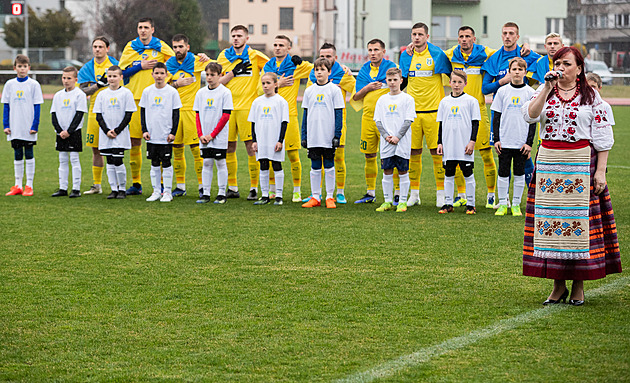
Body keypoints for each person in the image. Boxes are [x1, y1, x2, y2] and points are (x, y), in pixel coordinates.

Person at [522, 46, 621, 306]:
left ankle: (578, 285)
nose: (561, 68)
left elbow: (602, 137)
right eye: (558, 63)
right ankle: (557, 286)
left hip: (580, 165)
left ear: (579, 68)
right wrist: (546, 88)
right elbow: (530, 116)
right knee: (550, 227)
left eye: (567, 64)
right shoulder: (544, 91)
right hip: (549, 166)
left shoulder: (591, 97)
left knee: (579, 227)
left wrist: (600, 172)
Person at [482, 22, 540, 207]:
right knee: (504, 158)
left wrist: (529, 48)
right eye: (505, 33)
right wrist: (502, 81)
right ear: (501, 36)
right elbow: (485, 88)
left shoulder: (527, 55)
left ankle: (532, 197)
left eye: (511, 33)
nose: (507, 36)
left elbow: (545, 62)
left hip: (524, 117)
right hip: (503, 117)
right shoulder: (494, 58)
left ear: (517, 36)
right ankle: (503, 200)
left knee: (525, 157)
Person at [118, 17, 175, 195]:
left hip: (158, 102)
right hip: (135, 99)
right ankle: (136, 184)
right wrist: (140, 66)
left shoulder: (161, 47)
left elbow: (174, 63)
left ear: (152, 29)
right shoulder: (130, 47)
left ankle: (163, 186)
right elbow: (122, 71)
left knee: (160, 142)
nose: (143, 31)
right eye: (140, 27)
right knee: (135, 142)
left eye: (146, 27)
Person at [399, 22, 452, 207]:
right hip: (412, 114)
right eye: (414, 34)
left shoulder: (437, 54)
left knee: (437, 153)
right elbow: (402, 81)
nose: (417, 37)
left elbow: (453, 73)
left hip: (434, 112)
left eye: (420, 34)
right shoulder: (406, 56)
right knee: (413, 152)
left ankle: (441, 193)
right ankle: (414, 194)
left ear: (427, 37)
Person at [444, 26, 498, 208]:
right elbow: (431, 51)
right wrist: (413, 45)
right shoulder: (451, 54)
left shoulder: (486, 53)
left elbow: (506, 52)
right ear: (457, 39)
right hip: (456, 114)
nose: (464, 39)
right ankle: (461, 195)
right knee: (456, 155)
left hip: (479, 111)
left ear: (474, 39)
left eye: (468, 36)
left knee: (485, 154)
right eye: (461, 37)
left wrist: (525, 48)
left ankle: (491, 195)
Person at [217, 25, 270, 201]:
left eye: (239, 35)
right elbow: (218, 82)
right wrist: (233, 73)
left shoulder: (255, 55)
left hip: (248, 107)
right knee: (228, 147)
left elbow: (272, 67)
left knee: (251, 147)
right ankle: (232, 187)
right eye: (233, 35)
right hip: (228, 108)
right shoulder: (224, 56)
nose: (236, 38)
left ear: (247, 38)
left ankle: (254, 188)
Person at [263, 35, 312, 202]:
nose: (277, 48)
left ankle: (297, 191)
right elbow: (258, 90)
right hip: (269, 117)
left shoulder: (296, 65)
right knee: (270, 155)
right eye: (275, 44)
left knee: (293, 155)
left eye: (281, 45)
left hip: (289, 116)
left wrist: (302, 61)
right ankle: (271, 190)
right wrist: (279, 84)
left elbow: (320, 68)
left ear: (289, 48)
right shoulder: (267, 67)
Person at [306, 42, 356, 204]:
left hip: (335, 125)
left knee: (337, 158)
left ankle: (338, 192)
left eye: (328, 56)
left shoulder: (343, 73)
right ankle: (316, 195)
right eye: (322, 56)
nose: (325, 59)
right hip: (315, 128)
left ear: (335, 58)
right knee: (316, 162)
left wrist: (349, 75)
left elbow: (357, 91)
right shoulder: (312, 77)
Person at [166, 34, 211, 198]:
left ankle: (202, 186)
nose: (178, 50)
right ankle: (180, 186)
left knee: (196, 150)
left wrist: (207, 58)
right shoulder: (169, 64)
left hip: (193, 111)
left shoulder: (196, 61)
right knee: (177, 149)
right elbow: (162, 85)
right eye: (175, 47)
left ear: (188, 47)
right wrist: (176, 84)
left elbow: (216, 69)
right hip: (175, 112)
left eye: (181, 46)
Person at [352, 38, 397, 204]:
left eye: (376, 50)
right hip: (368, 119)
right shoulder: (364, 70)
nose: (372, 53)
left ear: (383, 52)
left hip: (388, 120)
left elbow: (399, 88)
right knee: (369, 155)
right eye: (370, 50)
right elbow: (356, 96)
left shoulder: (391, 69)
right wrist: (368, 88)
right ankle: (370, 193)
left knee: (392, 156)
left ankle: (396, 193)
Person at [490, 58, 536, 216]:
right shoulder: (502, 91)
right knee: (502, 172)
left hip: (521, 142)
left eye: (520, 69)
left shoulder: (530, 93)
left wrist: (529, 143)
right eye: (514, 69)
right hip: (505, 141)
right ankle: (503, 204)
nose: (517, 72)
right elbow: (496, 117)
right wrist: (496, 139)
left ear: (525, 71)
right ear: (509, 71)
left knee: (519, 173)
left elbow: (533, 120)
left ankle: (516, 204)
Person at [301, 58, 345, 209]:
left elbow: (339, 113)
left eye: (322, 69)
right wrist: (304, 135)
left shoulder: (334, 90)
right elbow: (305, 115)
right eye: (316, 70)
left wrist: (337, 135)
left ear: (329, 72)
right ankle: (315, 196)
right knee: (314, 166)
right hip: (313, 136)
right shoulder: (309, 91)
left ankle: (330, 197)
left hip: (328, 136)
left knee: (329, 165)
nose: (319, 72)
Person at [78, 36, 119, 195]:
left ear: (107, 48)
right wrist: (98, 86)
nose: (97, 49)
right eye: (95, 46)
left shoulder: (115, 65)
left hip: (114, 111)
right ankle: (97, 185)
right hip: (95, 111)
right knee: (96, 149)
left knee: (115, 149)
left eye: (101, 47)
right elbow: (82, 91)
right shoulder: (87, 68)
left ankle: (117, 185)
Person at [436, 70, 480, 215]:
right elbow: (441, 124)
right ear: (449, 83)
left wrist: (472, 141)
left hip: (464, 145)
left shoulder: (471, 101)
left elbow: (475, 123)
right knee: (448, 173)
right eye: (454, 82)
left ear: (465, 84)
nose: (456, 85)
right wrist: (440, 142)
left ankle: (471, 204)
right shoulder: (444, 101)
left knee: (468, 173)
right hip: (449, 144)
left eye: (460, 82)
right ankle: (448, 203)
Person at [373, 67, 416, 213]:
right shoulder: (382, 99)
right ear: (386, 81)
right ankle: (387, 201)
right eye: (389, 80)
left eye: (395, 80)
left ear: (401, 80)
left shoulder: (408, 99)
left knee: (403, 171)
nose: (392, 83)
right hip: (387, 142)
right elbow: (378, 121)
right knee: (387, 171)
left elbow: (408, 120)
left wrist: (398, 136)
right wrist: (386, 136)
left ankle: (402, 202)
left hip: (402, 142)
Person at [140, 62, 182, 202]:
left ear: (166, 75)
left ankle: (168, 192)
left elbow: (176, 114)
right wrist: (144, 130)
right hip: (152, 135)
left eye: (161, 73)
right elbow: (143, 111)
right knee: (154, 162)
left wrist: (173, 132)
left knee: (166, 162)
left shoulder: (172, 92)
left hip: (165, 135)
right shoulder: (147, 91)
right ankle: (156, 191)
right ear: (152, 74)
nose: (159, 76)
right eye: (156, 73)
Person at [2, 54, 43, 197]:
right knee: (17, 154)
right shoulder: (9, 84)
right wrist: (5, 125)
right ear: (15, 68)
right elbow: (6, 106)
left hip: (28, 127)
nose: (22, 69)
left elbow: (37, 107)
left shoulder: (34, 85)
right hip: (15, 126)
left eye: (25, 66)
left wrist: (35, 125)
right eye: (19, 66)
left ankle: (29, 185)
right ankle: (17, 185)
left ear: (29, 68)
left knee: (29, 153)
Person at [93, 66, 137, 199]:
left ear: (121, 77)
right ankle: (113, 189)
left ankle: (122, 188)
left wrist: (117, 130)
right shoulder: (102, 94)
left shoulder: (126, 93)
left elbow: (128, 115)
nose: (111, 79)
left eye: (114, 76)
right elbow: (98, 116)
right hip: (105, 134)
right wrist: (106, 131)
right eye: (109, 76)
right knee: (109, 161)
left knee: (118, 160)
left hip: (120, 134)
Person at [194, 62, 234, 204]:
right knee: (206, 163)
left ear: (220, 75)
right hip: (204, 136)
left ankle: (221, 193)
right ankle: (205, 193)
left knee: (220, 162)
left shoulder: (225, 92)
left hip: (218, 137)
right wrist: (200, 134)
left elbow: (226, 116)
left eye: (213, 75)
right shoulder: (200, 93)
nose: (209, 78)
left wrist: (212, 135)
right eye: (207, 75)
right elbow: (197, 116)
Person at [248, 73, 289, 205]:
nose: (265, 86)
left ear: (276, 84)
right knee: (263, 165)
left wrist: (280, 140)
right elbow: (253, 123)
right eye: (263, 83)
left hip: (274, 139)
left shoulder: (281, 102)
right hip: (261, 139)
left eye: (268, 83)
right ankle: (265, 195)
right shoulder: (257, 102)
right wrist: (254, 141)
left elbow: (284, 122)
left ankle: (279, 196)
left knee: (276, 165)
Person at [50, 66, 88, 198]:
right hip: (60, 133)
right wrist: (60, 131)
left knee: (74, 159)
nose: (66, 81)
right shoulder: (58, 95)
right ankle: (63, 188)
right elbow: (53, 115)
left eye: (69, 78)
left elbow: (79, 115)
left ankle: (76, 188)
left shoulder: (80, 95)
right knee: (62, 160)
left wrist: (69, 131)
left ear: (76, 79)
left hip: (74, 133)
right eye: (64, 78)